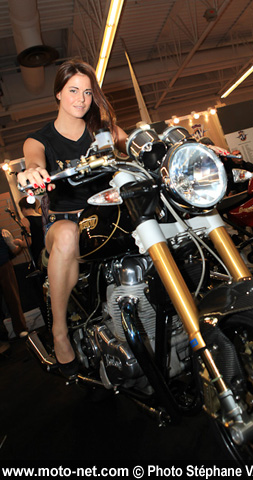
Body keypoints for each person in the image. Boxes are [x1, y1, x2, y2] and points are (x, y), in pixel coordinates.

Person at [17, 59, 128, 378]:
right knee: (66, 233)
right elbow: (33, 160)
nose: (81, 99)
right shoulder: (39, 140)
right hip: (65, 222)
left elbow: (141, 145)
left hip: (109, 220)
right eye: (73, 90)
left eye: (88, 92)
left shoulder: (105, 133)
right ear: (58, 94)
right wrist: (32, 171)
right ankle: (60, 333)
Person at [0, 228, 28, 339]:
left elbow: (13, 251)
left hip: (4, 267)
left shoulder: (3, 233)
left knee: (13, 299)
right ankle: (3, 337)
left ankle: (21, 330)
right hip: (5, 266)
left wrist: (21, 244)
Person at [13, 196, 45, 268]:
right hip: (48, 251)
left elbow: (27, 243)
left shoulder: (25, 220)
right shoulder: (42, 217)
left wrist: (18, 242)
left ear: (22, 208)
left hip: (38, 254)